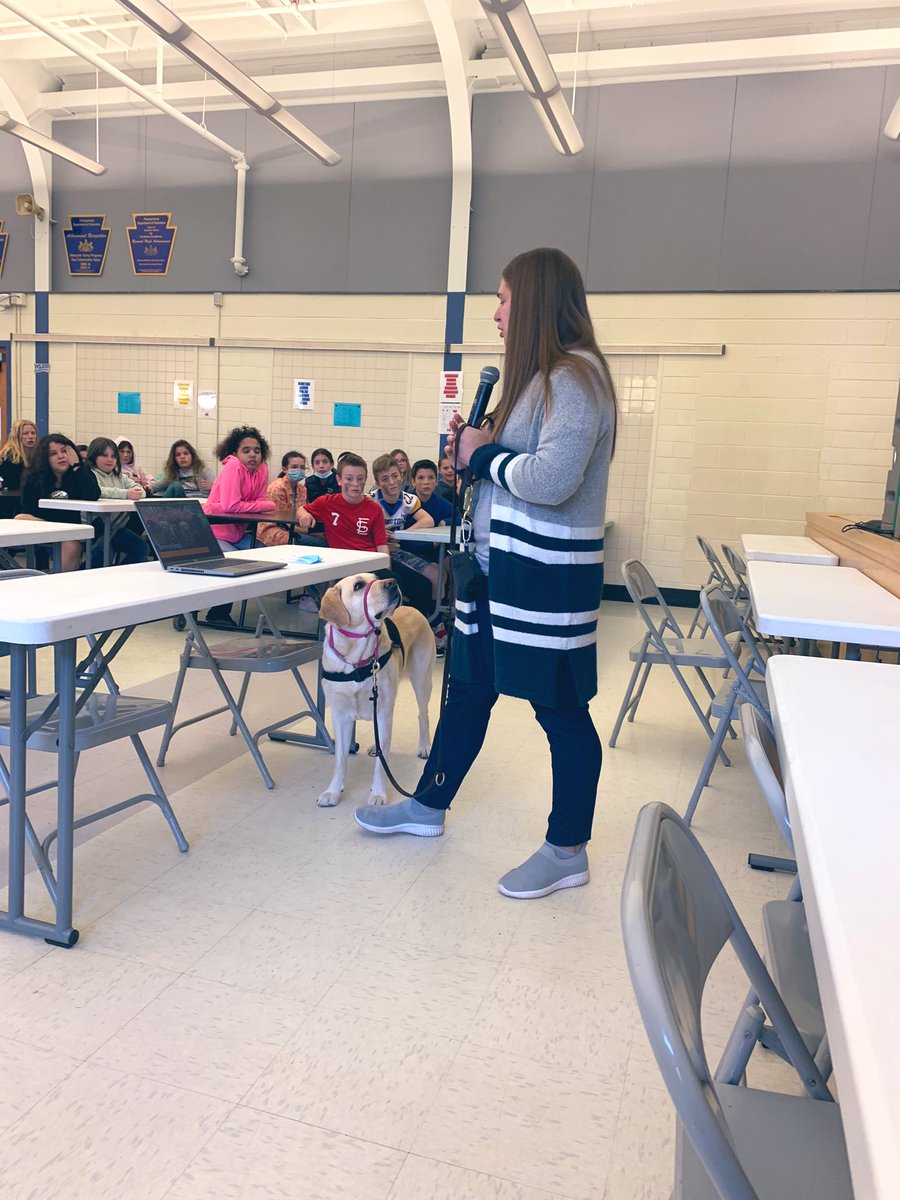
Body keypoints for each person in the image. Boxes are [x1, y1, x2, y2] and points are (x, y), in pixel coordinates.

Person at [355, 247, 617, 901]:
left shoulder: (575, 379)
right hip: (494, 569)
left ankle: (567, 850)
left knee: (560, 709)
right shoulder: (531, 382)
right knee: (468, 689)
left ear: (530, 302)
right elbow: (508, 467)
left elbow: (552, 480)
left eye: (502, 298)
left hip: (545, 576)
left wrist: (486, 454)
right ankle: (427, 806)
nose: (495, 312)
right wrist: (473, 452)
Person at [203, 425, 275, 625]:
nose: (252, 454)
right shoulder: (233, 466)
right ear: (235, 453)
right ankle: (217, 614)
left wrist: (259, 505)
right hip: (214, 533)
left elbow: (258, 506)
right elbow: (232, 505)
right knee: (235, 564)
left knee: (267, 556)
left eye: (257, 450)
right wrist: (265, 504)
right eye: (246, 450)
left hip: (237, 533)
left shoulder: (262, 470)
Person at [17, 432, 100, 571]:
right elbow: (27, 512)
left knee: (72, 545)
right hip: (41, 527)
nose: (61, 456)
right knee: (20, 518)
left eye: (64, 451)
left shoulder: (79, 473)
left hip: (70, 531)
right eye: (53, 453)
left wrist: (78, 467)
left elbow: (93, 494)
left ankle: (59, 585)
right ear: (45, 458)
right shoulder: (33, 478)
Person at [370, 453, 437, 623]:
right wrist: (378, 531)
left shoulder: (408, 500)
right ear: (378, 483)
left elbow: (428, 520)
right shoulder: (370, 500)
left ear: (401, 475)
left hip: (397, 550)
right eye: (385, 479)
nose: (391, 482)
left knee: (433, 578)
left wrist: (399, 535)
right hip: (377, 553)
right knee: (407, 583)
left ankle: (427, 623)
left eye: (394, 476)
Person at [296, 453, 387, 558]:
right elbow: (301, 509)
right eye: (349, 479)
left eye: (360, 479)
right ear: (339, 480)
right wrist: (304, 515)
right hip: (341, 562)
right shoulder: (327, 502)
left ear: (365, 479)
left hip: (368, 561)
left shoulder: (375, 509)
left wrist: (385, 566)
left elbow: (382, 546)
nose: (355, 483)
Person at [86, 437, 149, 565]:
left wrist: (135, 493)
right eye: (104, 455)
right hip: (95, 526)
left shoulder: (119, 476)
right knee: (102, 554)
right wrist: (125, 493)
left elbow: (141, 491)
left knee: (142, 548)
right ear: (94, 456)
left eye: (113, 456)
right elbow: (97, 491)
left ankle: (121, 573)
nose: (109, 459)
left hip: (116, 526)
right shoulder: (89, 474)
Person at [258, 450, 308, 547]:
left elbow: (302, 514)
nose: (299, 470)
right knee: (316, 543)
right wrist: (309, 531)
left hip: (294, 528)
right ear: (284, 469)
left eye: (302, 468)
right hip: (273, 530)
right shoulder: (277, 488)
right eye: (294, 467)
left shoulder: (302, 488)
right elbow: (283, 523)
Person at [150, 439, 216, 497]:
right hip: (179, 505)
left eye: (186, 453)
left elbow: (223, 490)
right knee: (175, 487)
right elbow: (156, 486)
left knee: (175, 486)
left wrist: (213, 486)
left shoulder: (204, 472)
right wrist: (144, 489)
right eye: (178, 455)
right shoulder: (173, 474)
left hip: (199, 505)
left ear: (192, 456)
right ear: (174, 459)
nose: (182, 457)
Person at [0, 418, 38, 516]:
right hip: (11, 502)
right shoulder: (9, 456)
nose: (30, 437)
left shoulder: (38, 455)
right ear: (17, 436)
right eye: (25, 433)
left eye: (33, 433)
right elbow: (14, 482)